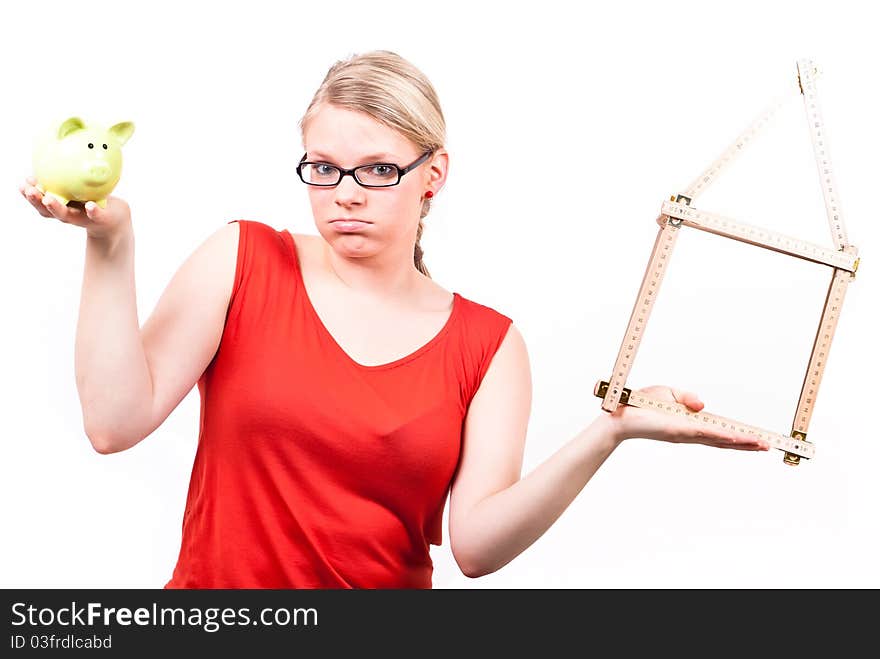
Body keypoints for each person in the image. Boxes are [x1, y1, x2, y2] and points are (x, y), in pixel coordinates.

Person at [18, 50, 768, 589]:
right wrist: (111, 242)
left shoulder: (489, 345)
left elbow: (474, 547)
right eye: (322, 168)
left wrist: (612, 430)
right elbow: (113, 424)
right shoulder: (243, 261)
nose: (345, 193)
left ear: (433, 175)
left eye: (378, 170)